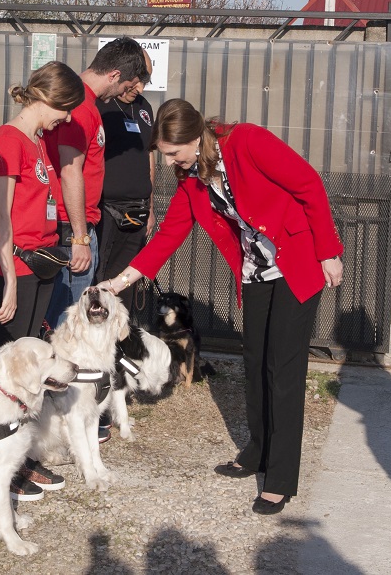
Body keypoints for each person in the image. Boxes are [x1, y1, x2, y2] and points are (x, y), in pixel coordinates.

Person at [100, 98, 344, 515]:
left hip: (296, 262)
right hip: (254, 272)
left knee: (282, 369)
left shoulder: (247, 141)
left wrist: (329, 250)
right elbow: (170, 234)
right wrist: (122, 279)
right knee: (255, 363)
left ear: (195, 138)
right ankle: (258, 449)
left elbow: (308, 184)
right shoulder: (191, 176)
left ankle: (281, 478)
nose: (172, 163)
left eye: (174, 153)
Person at [43, 37, 150, 331]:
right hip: (71, 230)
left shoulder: (85, 102)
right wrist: (80, 237)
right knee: (68, 319)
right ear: (114, 75)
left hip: (77, 226)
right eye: (126, 87)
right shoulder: (80, 106)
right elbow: (70, 170)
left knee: (67, 313)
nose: (125, 93)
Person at [0, 61, 83, 352]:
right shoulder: (8, 140)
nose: (67, 118)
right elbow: (1, 214)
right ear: (47, 100)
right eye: (66, 108)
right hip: (18, 264)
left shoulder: (38, 140)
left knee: (30, 350)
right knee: (11, 357)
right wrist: (11, 280)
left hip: (41, 260)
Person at [93, 49, 155, 444]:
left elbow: (149, 155)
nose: (141, 88)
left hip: (138, 213)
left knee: (125, 305)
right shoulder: (102, 105)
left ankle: (117, 391)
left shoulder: (146, 108)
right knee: (99, 300)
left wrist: (151, 203)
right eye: (137, 80)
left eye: (146, 80)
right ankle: (94, 402)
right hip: (105, 215)